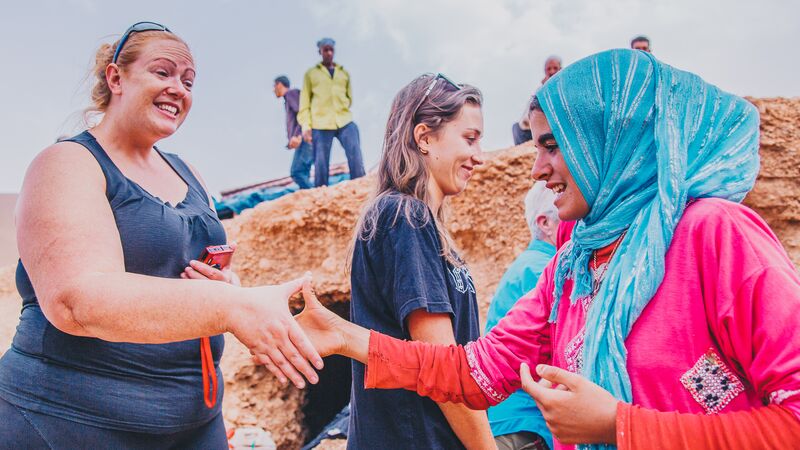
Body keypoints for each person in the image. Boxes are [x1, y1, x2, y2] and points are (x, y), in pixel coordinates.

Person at [293, 49, 800, 449]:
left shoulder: (715, 236)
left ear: (611, 141)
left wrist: (621, 426)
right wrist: (345, 336)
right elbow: (470, 372)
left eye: (553, 146)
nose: (536, 168)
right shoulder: (573, 268)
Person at [0, 22, 322, 448]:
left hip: (196, 421)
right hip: (69, 420)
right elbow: (76, 302)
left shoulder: (188, 172)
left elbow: (196, 281)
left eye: (188, 81)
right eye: (163, 72)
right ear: (116, 77)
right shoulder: (67, 163)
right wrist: (231, 305)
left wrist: (227, 286)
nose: (179, 89)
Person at [344, 73, 494, 449]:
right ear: (424, 137)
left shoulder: (418, 224)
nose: (479, 156)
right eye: (469, 139)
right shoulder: (404, 219)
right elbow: (443, 369)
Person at [484, 181, 558, 450]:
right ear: (545, 223)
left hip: (513, 421)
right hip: (524, 427)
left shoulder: (528, 266)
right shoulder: (542, 271)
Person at [298, 38, 366, 187]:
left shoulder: (344, 73)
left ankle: (360, 185)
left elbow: (349, 97)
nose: (328, 53)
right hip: (320, 123)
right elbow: (304, 102)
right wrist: (306, 126)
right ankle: (321, 192)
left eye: (331, 50)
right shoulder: (311, 74)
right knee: (320, 161)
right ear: (320, 52)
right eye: (325, 50)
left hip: (344, 119)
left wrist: (343, 106)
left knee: (355, 151)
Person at [274, 75, 313, 189]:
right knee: (303, 173)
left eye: (274, 86)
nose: (273, 89)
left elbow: (302, 113)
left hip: (305, 138)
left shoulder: (291, 94)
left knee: (297, 172)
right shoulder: (289, 98)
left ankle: (317, 196)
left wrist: (299, 135)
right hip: (305, 138)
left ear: (279, 84)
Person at [513, 56, 562, 146]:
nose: (552, 72)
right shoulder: (540, 90)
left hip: (548, 129)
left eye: (555, 68)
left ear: (560, 69)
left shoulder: (562, 88)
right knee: (516, 127)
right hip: (528, 130)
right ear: (545, 71)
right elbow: (527, 117)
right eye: (548, 69)